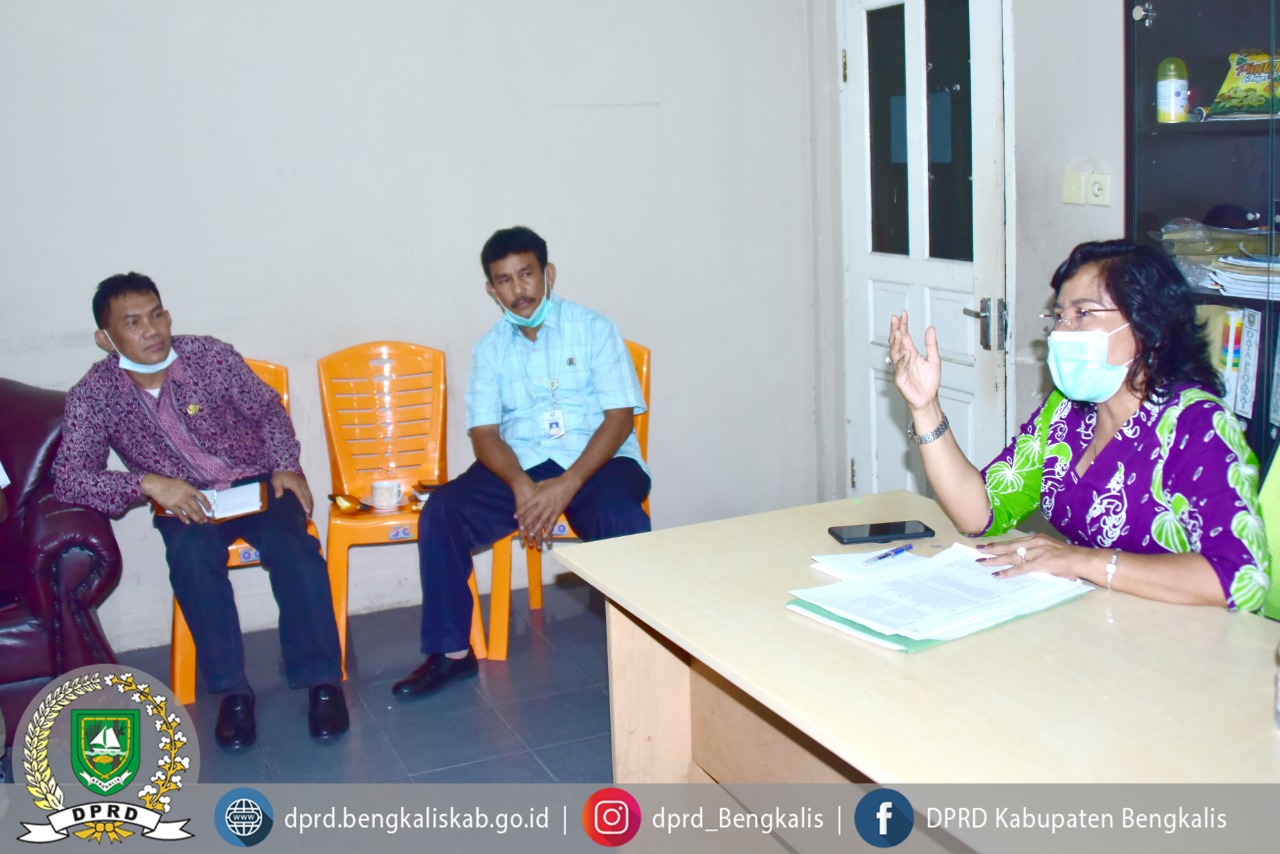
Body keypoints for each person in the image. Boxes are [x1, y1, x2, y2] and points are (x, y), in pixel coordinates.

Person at [888, 239, 1270, 609]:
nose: (1060, 332)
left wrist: (1082, 561)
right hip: (1094, 618)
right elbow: (980, 513)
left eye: (1082, 314)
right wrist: (925, 407)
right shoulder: (1067, 412)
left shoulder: (1196, 424)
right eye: (1059, 316)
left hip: (1181, 632)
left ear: (1147, 325)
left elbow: (1241, 577)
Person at [53, 273, 348, 749]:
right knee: (191, 560)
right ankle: (233, 692)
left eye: (157, 315)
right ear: (105, 338)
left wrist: (284, 464)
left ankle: (323, 682)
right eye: (133, 322)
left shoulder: (209, 356)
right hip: (183, 500)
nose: (152, 330)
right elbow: (71, 477)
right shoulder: (94, 394)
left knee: (296, 550)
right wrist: (146, 484)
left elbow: (267, 409)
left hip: (254, 483)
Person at [393, 226, 652, 697]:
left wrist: (568, 483)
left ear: (548, 274)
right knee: (443, 511)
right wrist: (520, 485)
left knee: (620, 515)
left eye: (527, 274)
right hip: (523, 464)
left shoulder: (594, 328)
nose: (519, 289)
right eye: (505, 280)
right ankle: (452, 654)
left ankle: (649, 653)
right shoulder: (489, 349)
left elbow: (619, 420)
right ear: (492, 290)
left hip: (599, 460)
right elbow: (484, 434)